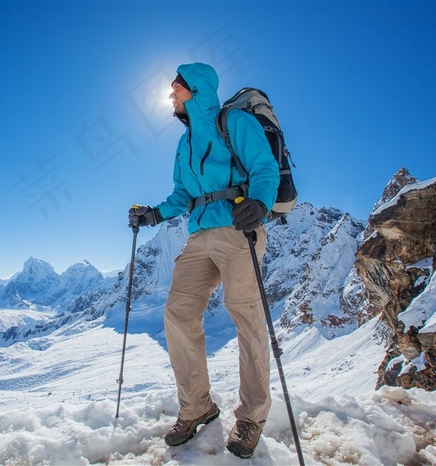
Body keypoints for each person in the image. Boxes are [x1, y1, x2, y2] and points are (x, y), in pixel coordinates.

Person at [128, 62, 279, 459]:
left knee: (244, 315)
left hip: (238, 227)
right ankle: (198, 407)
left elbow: (264, 167)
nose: (171, 96)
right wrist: (154, 213)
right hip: (198, 235)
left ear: (196, 89)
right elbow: (182, 194)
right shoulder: (184, 143)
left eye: (175, 89)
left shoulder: (235, 122)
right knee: (177, 314)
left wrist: (260, 203)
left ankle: (252, 415)